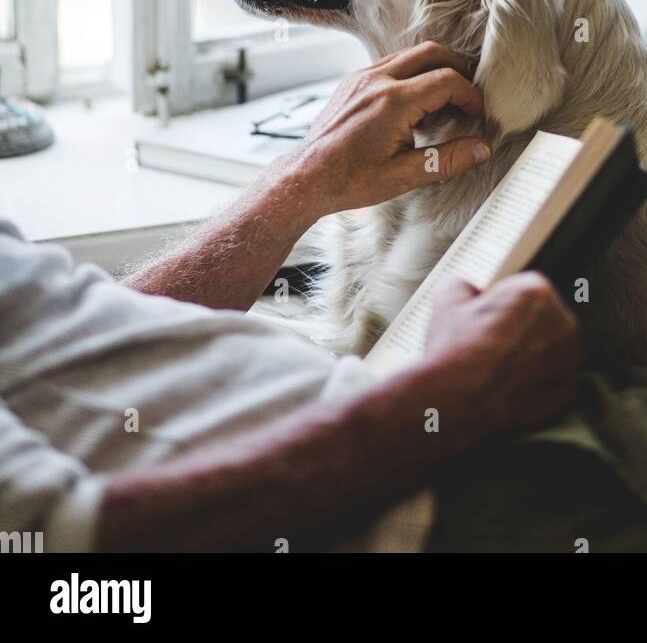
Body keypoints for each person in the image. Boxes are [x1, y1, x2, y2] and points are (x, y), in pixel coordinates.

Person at [0, 43, 580, 553]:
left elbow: (73, 348)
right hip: (436, 508)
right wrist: (443, 401)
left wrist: (302, 181)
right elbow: (68, 546)